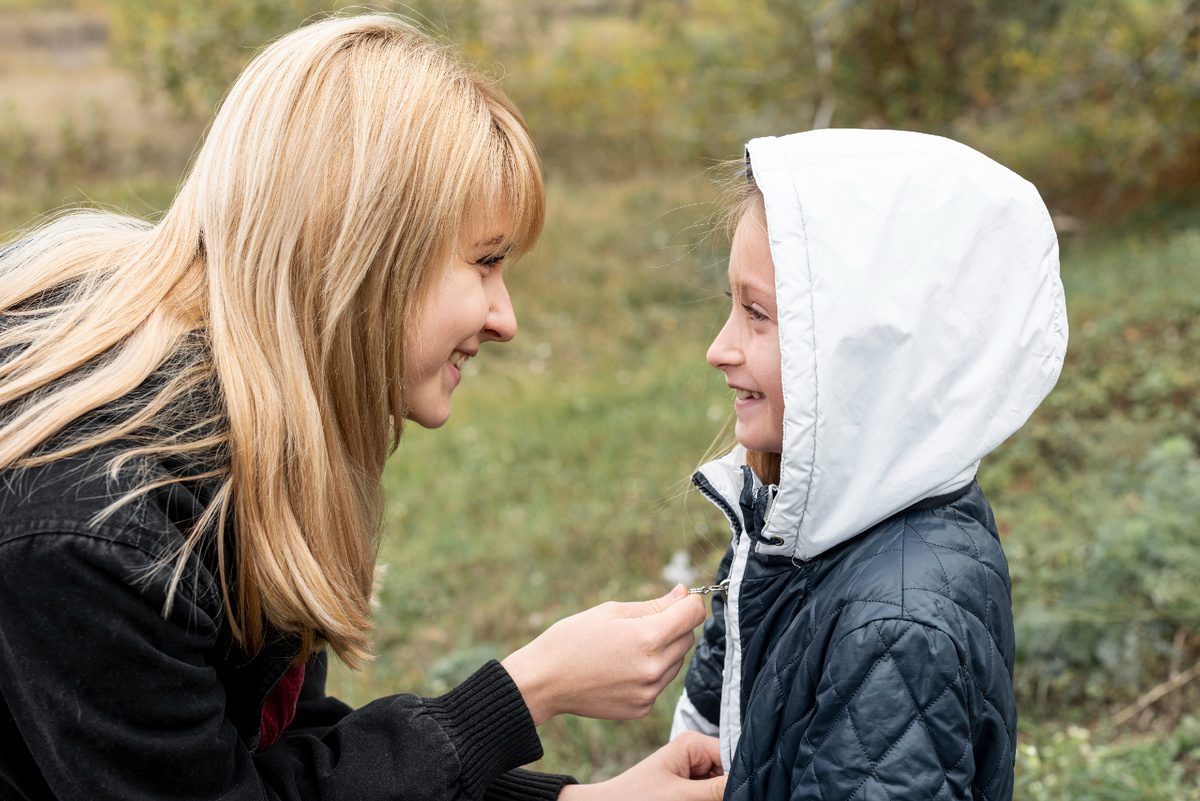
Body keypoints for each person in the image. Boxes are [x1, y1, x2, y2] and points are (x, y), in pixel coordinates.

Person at [0, 14, 727, 801]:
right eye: (484, 262)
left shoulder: (264, 407)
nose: (505, 317)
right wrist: (522, 692)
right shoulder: (105, 521)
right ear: (367, 252)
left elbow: (274, 752)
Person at [670, 129, 1068, 800]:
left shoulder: (897, 630)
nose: (719, 348)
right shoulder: (797, 519)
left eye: (758, 314)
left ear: (867, 348)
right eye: (731, 306)